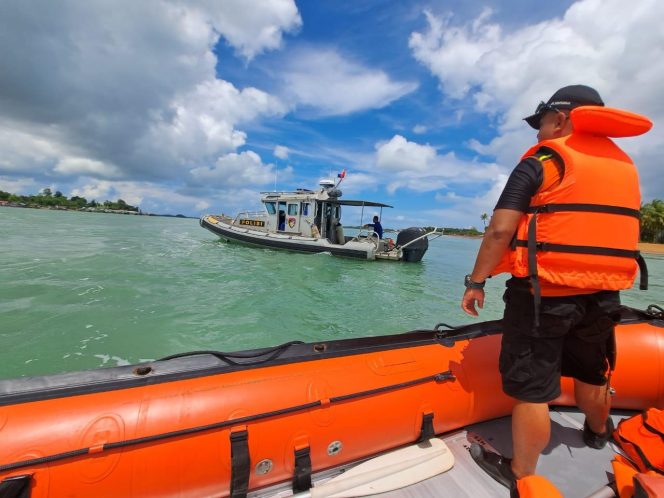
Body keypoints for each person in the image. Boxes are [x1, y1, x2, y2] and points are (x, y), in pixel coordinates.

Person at [460, 85, 651, 488]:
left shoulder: (544, 161)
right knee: (593, 371)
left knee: (531, 390)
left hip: (543, 297)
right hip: (603, 295)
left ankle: (520, 473)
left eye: (541, 121)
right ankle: (598, 433)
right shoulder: (626, 166)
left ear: (561, 118)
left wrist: (476, 282)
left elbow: (499, 230)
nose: (537, 132)